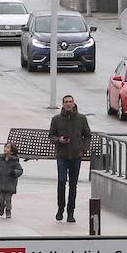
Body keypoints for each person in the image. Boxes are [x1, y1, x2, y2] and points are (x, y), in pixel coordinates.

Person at [49, 94, 92, 222]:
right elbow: (51, 136)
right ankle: (60, 208)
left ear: (73, 104)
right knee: (62, 181)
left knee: (73, 185)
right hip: (62, 155)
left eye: (70, 102)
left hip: (76, 156)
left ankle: (70, 212)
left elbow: (88, 135)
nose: (68, 104)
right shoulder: (56, 119)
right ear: (63, 104)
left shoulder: (81, 119)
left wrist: (83, 150)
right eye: (66, 102)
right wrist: (59, 140)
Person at [0, 144, 23, 217]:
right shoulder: (0, 160)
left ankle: (8, 210)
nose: (5, 148)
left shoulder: (14, 162)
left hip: (10, 183)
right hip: (0, 182)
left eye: (8, 147)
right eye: (5, 147)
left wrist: (14, 173)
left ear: (12, 152)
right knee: (0, 198)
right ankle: (2, 207)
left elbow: (20, 170)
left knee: (8, 199)